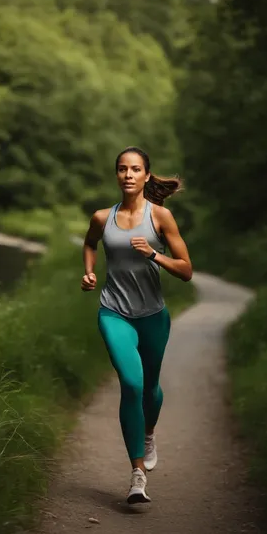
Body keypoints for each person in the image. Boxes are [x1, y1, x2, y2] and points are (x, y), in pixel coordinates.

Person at [81, 146, 193, 504]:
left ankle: (148, 433)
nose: (128, 175)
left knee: (151, 390)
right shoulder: (102, 216)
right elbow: (89, 243)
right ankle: (137, 474)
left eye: (135, 169)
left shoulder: (161, 217)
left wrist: (154, 254)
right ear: (116, 175)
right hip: (114, 312)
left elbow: (187, 271)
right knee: (132, 383)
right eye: (122, 169)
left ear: (146, 175)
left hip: (152, 316)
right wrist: (89, 271)